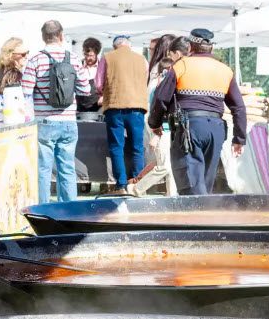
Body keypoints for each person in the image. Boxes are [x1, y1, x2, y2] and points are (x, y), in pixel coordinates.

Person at [148, 28, 246, 195]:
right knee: (205, 180)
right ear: (212, 48)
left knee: (190, 181)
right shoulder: (225, 70)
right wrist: (239, 138)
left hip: (190, 128)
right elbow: (239, 107)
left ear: (191, 46)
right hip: (216, 129)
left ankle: (196, 216)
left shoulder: (181, 65)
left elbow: (161, 98)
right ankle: (205, 215)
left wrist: (155, 124)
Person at [21, 20, 90, 203]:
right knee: (67, 168)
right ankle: (70, 211)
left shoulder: (35, 59)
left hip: (44, 122)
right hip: (68, 121)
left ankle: (42, 209)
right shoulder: (73, 59)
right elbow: (85, 90)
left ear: (43, 37)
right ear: (61, 35)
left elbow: (25, 92)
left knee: (42, 169)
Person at [131, 35, 190, 197]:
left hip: (158, 123)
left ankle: (171, 197)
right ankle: (137, 188)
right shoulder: (166, 70)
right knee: (166, 165)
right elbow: (160, 102)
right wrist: (157, 130)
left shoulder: (158, 69)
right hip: (161, 125)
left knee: (164, 162)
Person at [95, 34, 149, 193]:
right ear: (129, 46)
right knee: (137, 147)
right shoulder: (142, 59)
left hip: (114, 106)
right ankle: (138, 185)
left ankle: (121, 184)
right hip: (137, 108)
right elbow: (143, 81)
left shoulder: (107, 57)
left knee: (116, 147)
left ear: (114, 47)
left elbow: (98, 84)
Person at [76, 37, 102, 113]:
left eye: (91, 55)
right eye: (86, 55)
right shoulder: (78, 66)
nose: (88, 58)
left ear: (97, 53)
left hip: (98, 107)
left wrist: (104, 97)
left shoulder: (103, 67)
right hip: (80, 107)